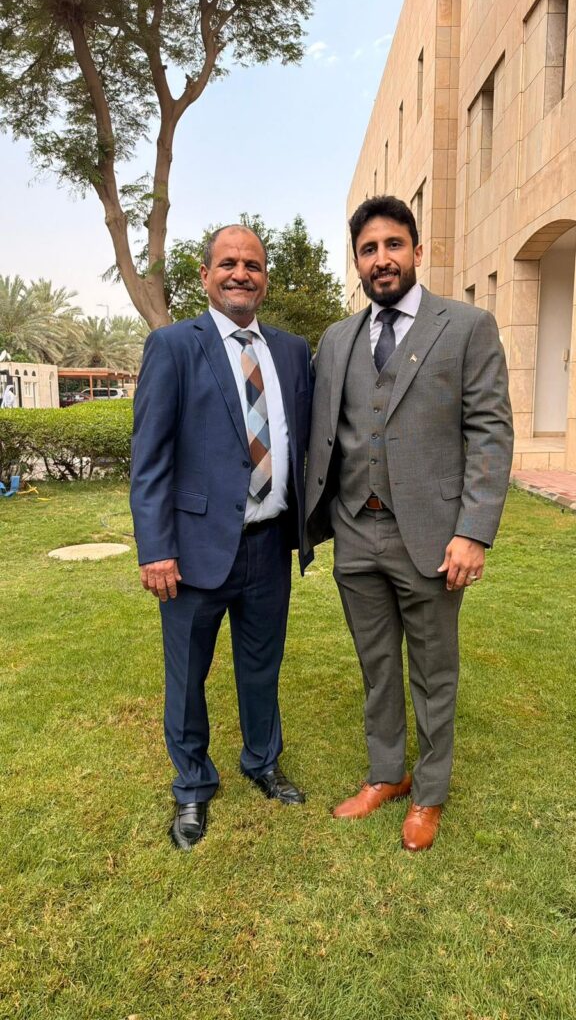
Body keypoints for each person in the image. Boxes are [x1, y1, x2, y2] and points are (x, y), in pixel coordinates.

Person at [305, 196, 513, 852]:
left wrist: (473, 530)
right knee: (376, 667)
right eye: (368, 249)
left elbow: (490, 430)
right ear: (358, 262)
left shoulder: (467, 326)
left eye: (393, 244)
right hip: (355, 531)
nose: (382, 259)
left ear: (417, 252)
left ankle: (429, 791)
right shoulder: (337, 340)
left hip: (431, 534)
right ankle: (386, 772)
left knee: (433, 671)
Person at [130, 224, 313, 851]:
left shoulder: (291, 352)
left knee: (262, 665)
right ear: (206, 275)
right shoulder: (174, 346)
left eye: (253, 265)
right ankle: (192, 785)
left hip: (269, 543)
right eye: (228, 263)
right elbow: (150, 459)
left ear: (265, 278)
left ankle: (262, 761)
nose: (241, 273)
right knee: (188, 676)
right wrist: (156, 548)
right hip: (194, 549)